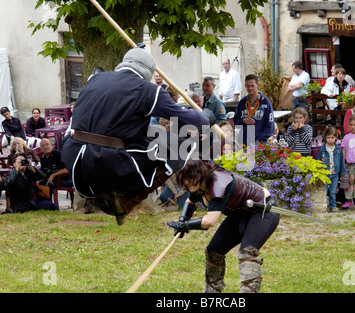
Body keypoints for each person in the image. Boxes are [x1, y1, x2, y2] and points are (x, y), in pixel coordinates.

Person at [61, 46, 211, 224]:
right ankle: (127, 199)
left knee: (152, 136)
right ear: (147, 72)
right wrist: (207, 118)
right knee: (178, 145)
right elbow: (193, 120)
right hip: (106, 160)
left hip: (72, 155)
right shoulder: (149, 90)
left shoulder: (94, 79)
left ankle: (106, 196)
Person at [166, 159, 279, 293]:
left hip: (263, 212)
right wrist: (182, 220)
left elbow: (209, 221)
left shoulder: (218, 184)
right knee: (214, 250)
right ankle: (212, 290)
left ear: (201, 174)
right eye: (185, 178)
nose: (188, 182)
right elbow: (191, 201)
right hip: (239, 213)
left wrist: (185, 225)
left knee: (247, 252)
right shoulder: (198, 185)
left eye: (191, 177)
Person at [233, 74, 274, 145]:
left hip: (260, 144)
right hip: (244, 142)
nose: (250, 88)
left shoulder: (265, 102)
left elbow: (270, 125)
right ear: (245, 86)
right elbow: (235, 121)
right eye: (248, 86)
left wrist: (260, 141)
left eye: (252, 86)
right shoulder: (242, 102)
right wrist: (243, 120)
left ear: (257, 85)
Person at [317, 126, 346, 212]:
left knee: (333, 191)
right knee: (325, 191)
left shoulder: (338, 149)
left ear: (336, 138)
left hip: (335, 173)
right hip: (325, 173)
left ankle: (333, 206)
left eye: (332, 137)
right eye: (328, 137)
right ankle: (324, 206)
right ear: (325, 138)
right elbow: (318, 161)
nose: (330, 140)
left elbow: (341, 161)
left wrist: (342, 171)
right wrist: (319, 170)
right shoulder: (322, 149)